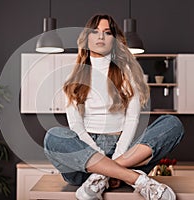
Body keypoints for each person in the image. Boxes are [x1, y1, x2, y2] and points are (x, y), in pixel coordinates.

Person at [44, 14, 184, 200]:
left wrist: (114, 160)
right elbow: (76, 126)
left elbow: (132, 120)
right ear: (86, 39)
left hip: (127, 152)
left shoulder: (128, 75)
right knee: (53, 136)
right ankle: (136, 180)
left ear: (114, 40)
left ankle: (101, 178)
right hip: (85, 158)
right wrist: (100, 159)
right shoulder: (74, 80)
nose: (101, 37)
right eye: (95, 32)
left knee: (172, 124)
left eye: (107, 32)